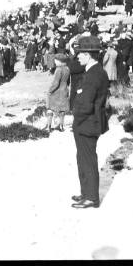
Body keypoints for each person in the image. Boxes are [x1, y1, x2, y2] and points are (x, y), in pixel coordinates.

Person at [70, 36, 109, 209]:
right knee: (83, 158)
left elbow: (85, 104)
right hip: (88, 122)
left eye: (80, 53)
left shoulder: (94, 74)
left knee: (87, 160)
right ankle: (86, 193)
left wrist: (76, 116)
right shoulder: (94, 70)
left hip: (87, 122)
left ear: (89, 55)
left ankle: (92, 197)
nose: (77, 56)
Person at [45, 54, 70, 132]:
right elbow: (68, 81)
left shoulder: (58, 70)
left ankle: (48, 126)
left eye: (55, 60)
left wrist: (50, 90)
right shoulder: (67, 68)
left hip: (57, 92)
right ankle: (61, 126)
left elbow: (56, 83)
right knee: (62, 109)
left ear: (59, 61)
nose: (54, 61)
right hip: (64, 90)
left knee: (50, 108)